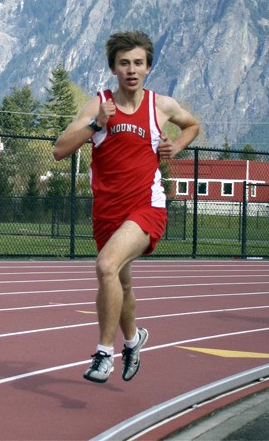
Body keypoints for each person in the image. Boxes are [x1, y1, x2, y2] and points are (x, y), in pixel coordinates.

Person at [53, 30, 200, 384]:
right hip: (107, 212)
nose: (131, 70)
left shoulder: (160, 106)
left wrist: (176, 148)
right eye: (124, 63)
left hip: (146, 206)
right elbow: (59, 149)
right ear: (113, 69)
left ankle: (104, 354)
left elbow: (192, 124)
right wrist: (95, 124)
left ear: (148, 68)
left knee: (105, 266)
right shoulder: (99, 104)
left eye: (138, 63)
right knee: (120, 280)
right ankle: (133, 341)